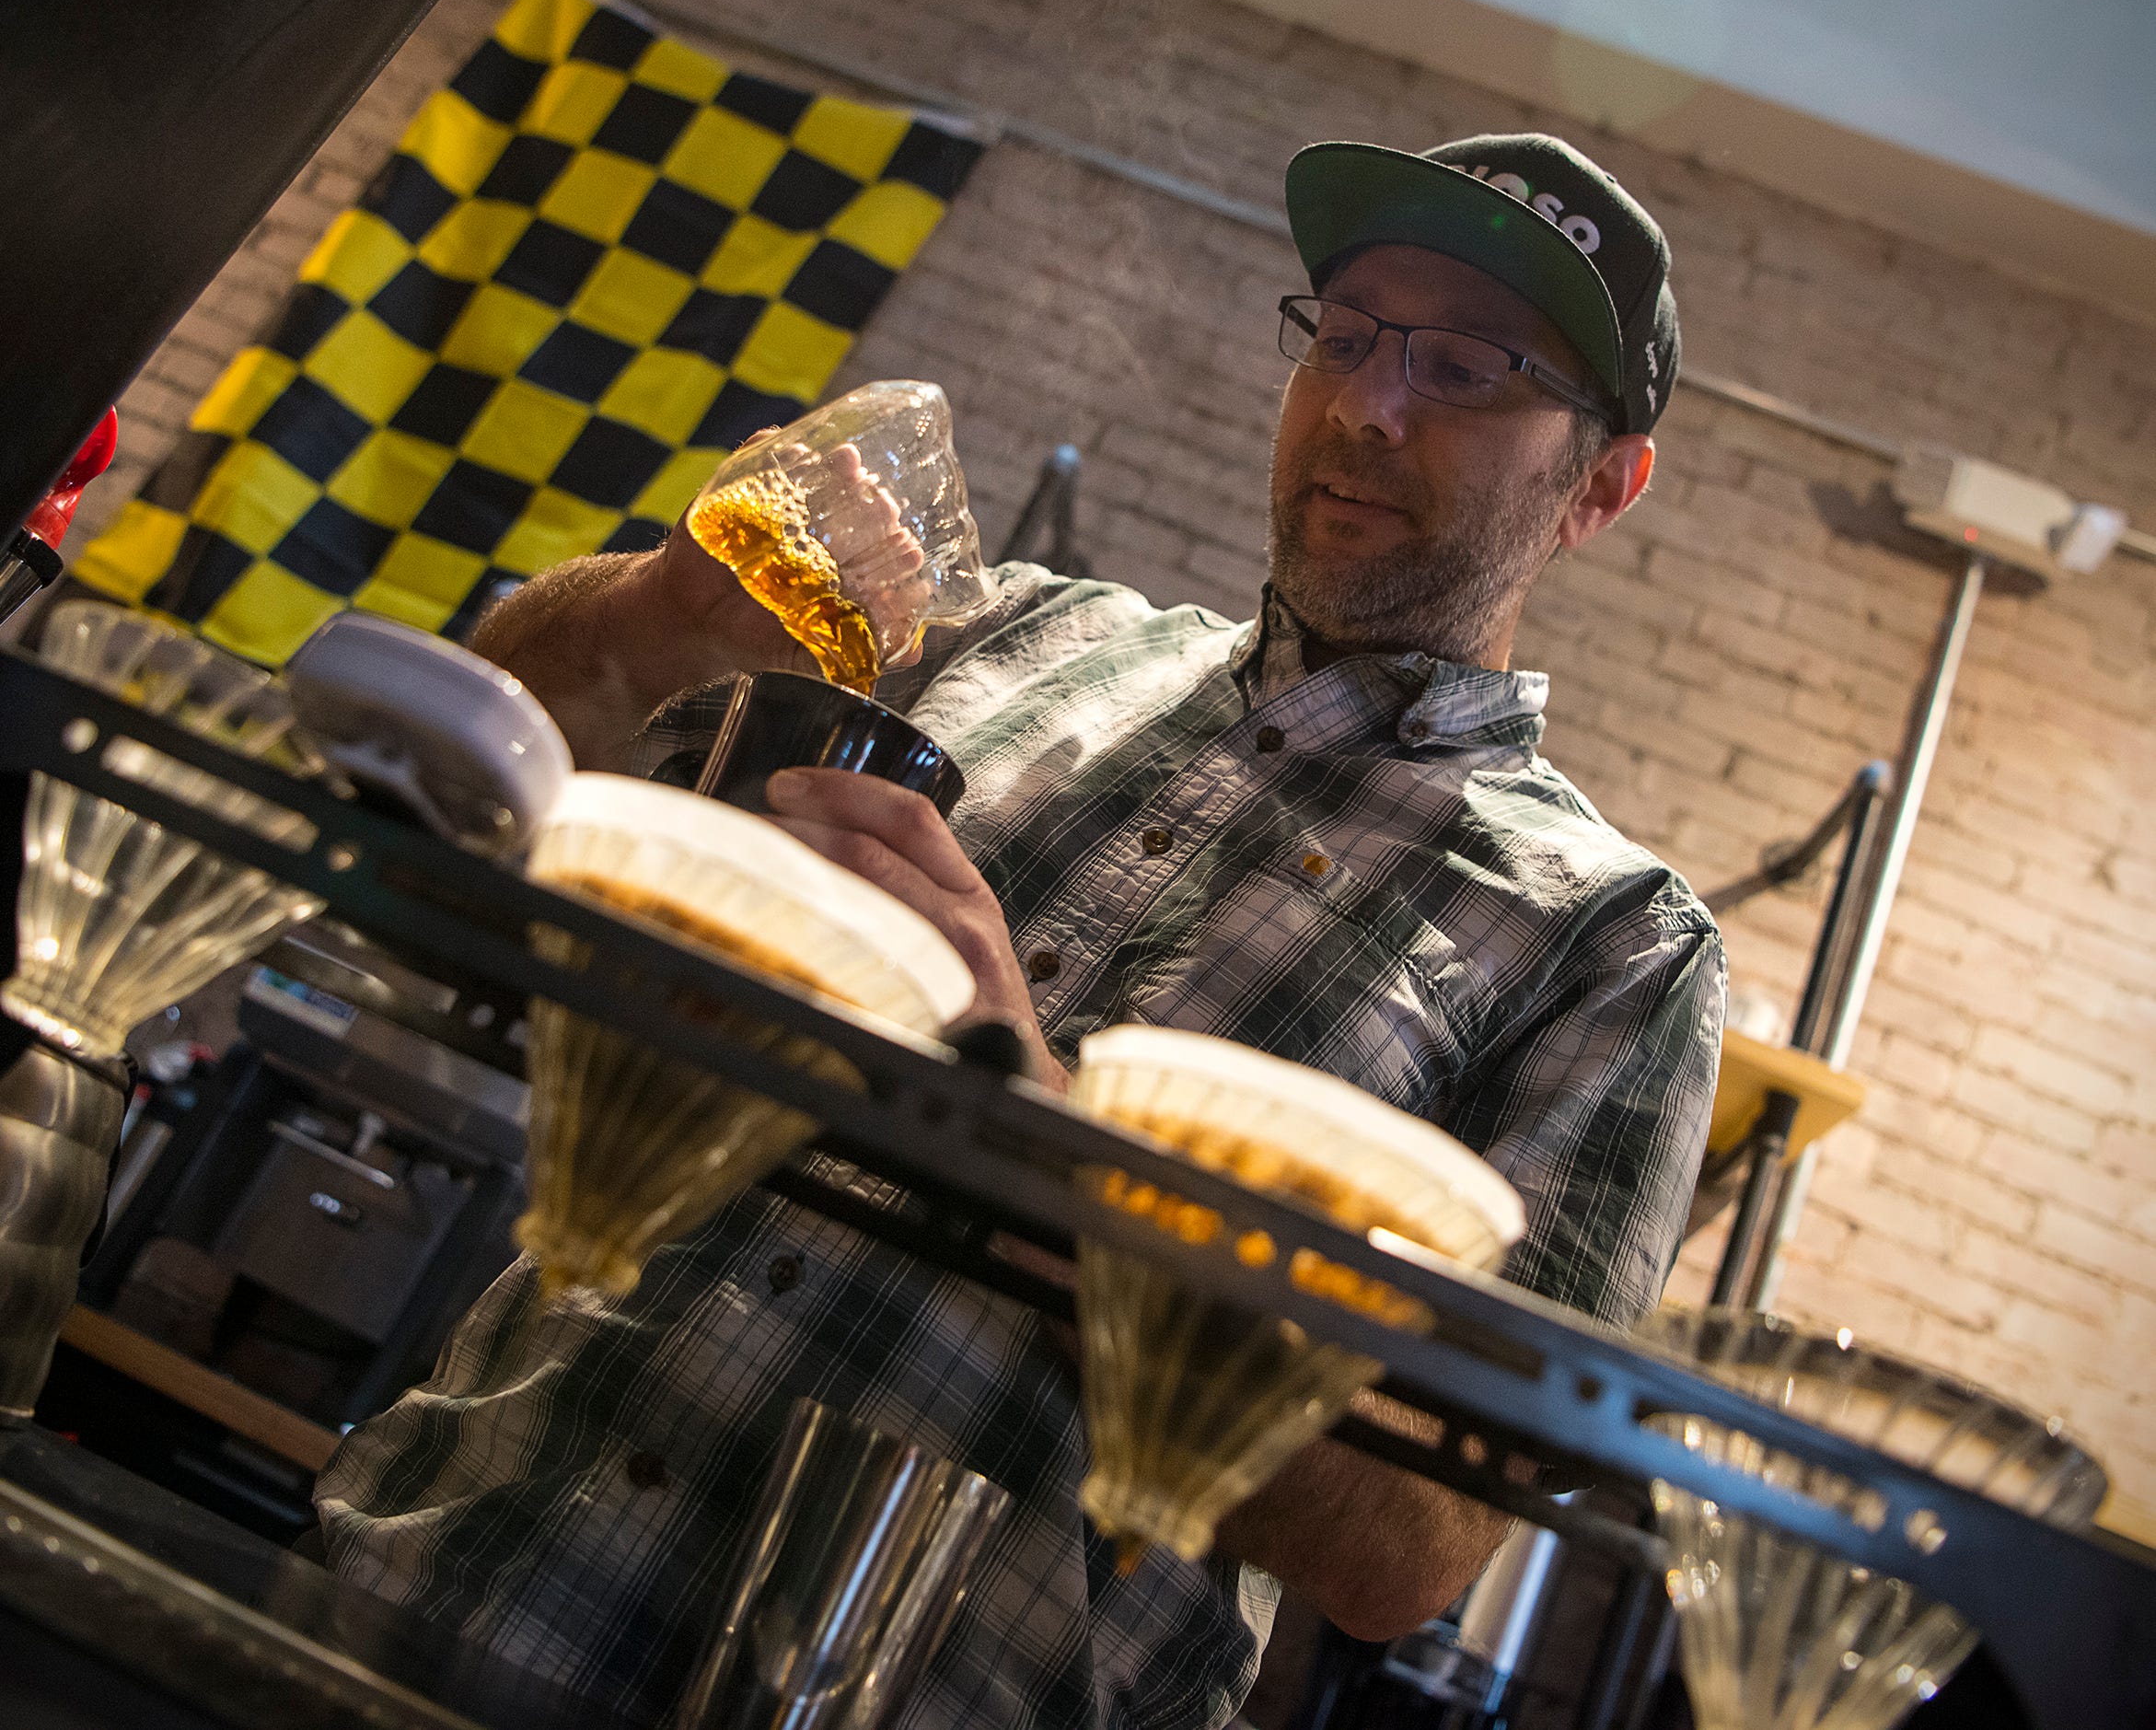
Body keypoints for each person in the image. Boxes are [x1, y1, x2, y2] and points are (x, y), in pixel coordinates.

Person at [316, 134, 1724, 1730]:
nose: (1363, 407)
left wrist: (1029, 1134)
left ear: (1601, 485)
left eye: (1463, 367)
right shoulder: (1015, 631)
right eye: (1341, 338)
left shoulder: (1612, 945)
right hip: (437, 1580)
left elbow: (1414, 1544)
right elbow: (478, 801)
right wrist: (653, 617)